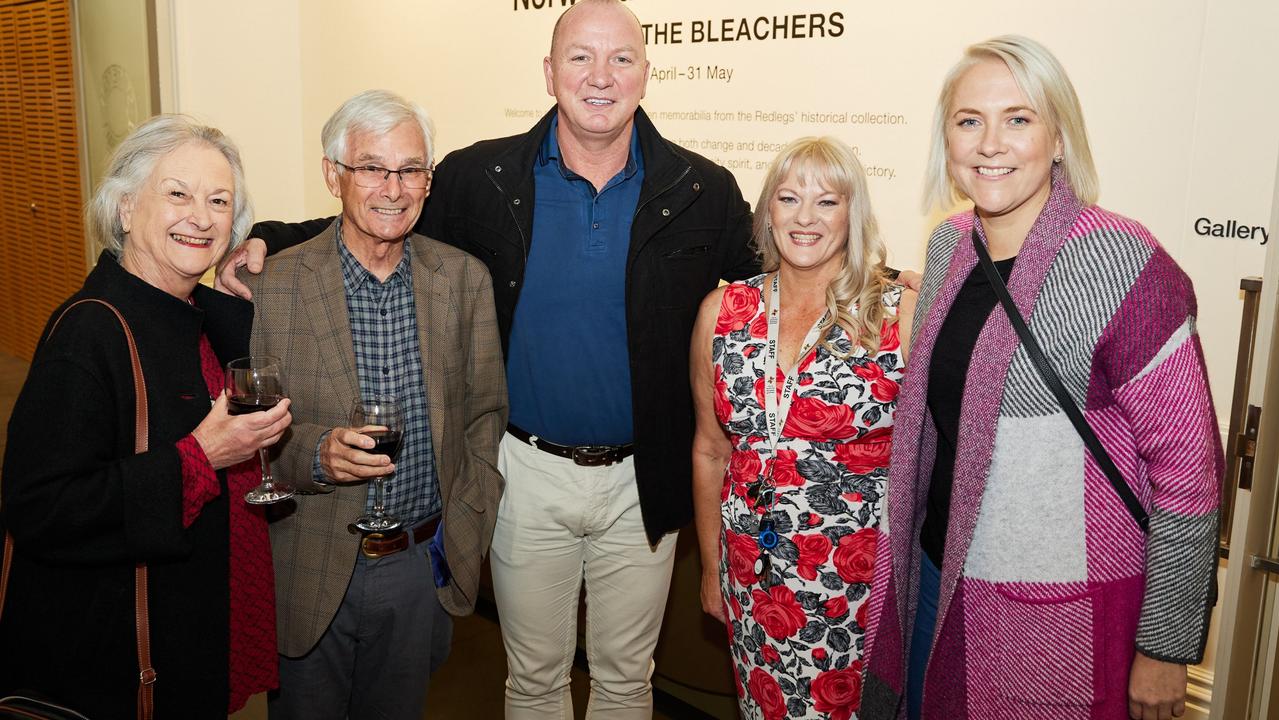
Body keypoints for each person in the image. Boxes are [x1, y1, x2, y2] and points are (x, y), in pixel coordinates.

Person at [218, 1, 757, 716]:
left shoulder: (701, 189)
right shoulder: (482, 176)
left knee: (628, 677)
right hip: (525, 472)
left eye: (621, 58)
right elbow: (380, 214)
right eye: (580, 57)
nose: (600, 77)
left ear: (646, 76)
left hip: (641, 481)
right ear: (548, 72)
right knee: (533, 677)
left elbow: (774, 275)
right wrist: (267, 236)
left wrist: (881, 282)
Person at [860, 36, 1222, 720]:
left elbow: (1190, 473)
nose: (991, 142)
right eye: (970, 120)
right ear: (948, 139)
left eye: (1018, 119)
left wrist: (1166, 647)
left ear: (1058, 138)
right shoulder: (948, 246)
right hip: (934, 575)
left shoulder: (1122, 259)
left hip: (1063, 597)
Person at [0, 116, 290, 717]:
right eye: (178, 194)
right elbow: (40, 508)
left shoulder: (206, 314)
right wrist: (201, 457)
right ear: (127, 208)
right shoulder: (90, 331)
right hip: (121, 666)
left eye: (219, 201)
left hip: (194, 636)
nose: (201, 216)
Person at [240, 89, 507, 720]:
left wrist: (466, 520)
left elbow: (484, 414)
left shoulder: (464, 280)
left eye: (411, 169)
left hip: (419, 567)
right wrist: (317, 454)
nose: (393, 188)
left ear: (429, 181)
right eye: (373, 168)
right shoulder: (272, 285)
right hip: (310, 562)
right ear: (333, 174)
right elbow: (246, 426)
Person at [690, 137, 913, 720]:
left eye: (827, 202)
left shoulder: (898, 313)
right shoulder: (723, 311)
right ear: (768, 213)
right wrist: (712, 571)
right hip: (753, 573)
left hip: (858, 582)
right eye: (789, 199)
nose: (805, 218)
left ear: (854, 213)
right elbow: (711, 450)